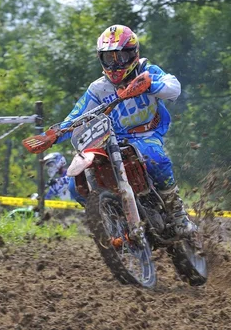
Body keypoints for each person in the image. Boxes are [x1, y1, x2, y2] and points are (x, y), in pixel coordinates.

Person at [56, 24, 196, 236]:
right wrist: (54, 134)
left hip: (147, 133)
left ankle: (177, 213)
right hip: (111, 139)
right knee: (75, 184)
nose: (115, 64)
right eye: (108, 58)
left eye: (120, 57)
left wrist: (150, 85)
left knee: (154, 157)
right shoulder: (98, 89)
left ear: (133, 54)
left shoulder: (146, 71)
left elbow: (173, 87)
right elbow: (76, 116)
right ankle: (112, 218)